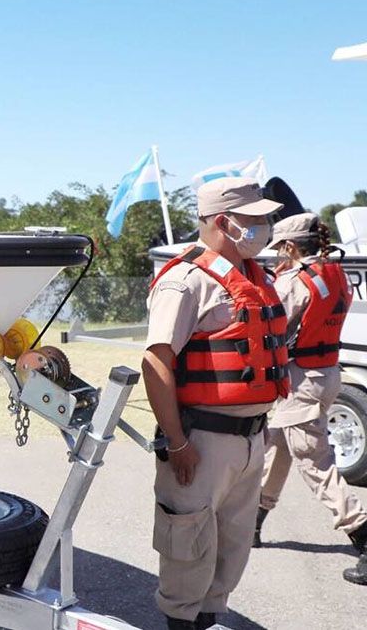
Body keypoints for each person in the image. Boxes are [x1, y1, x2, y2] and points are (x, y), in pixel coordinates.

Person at [142, 178, 288, 630]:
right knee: (188, 550)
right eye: (256, 219)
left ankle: (206, 620)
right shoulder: (186, 282)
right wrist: (178, 442)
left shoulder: (254, 277)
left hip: (250, 438)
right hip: (201, 439)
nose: (264, 227)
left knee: (230, 550)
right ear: (224, 222)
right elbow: (155, 362)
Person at [254, 213, 367, 585]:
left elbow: (272, 327)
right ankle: (253, 523)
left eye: (278, 251)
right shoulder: (335, 273)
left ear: (290, 246)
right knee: (279, 447)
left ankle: (363, 535)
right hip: (327, 372)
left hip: (301, 378)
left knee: (314, 464)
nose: (275, 259)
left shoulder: (294, 282)